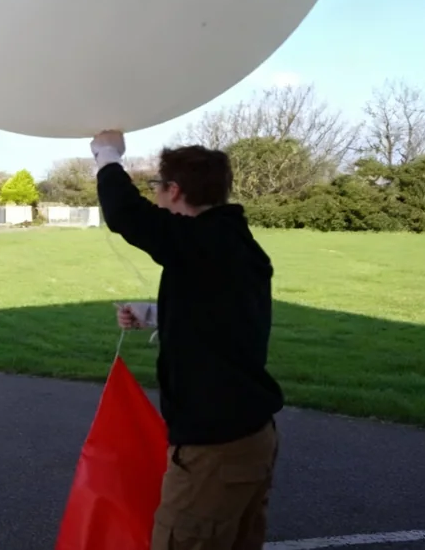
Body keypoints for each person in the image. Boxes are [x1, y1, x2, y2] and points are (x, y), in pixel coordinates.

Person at [89, 130, 285, 550]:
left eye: (158, 188)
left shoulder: (204, 242)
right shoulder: (229, 243)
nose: (156, 197)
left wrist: (107, 154)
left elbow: (126, 214)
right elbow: (224, 314)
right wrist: (153, 314)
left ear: (174, 191)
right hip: (249, 438)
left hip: (215, 449)